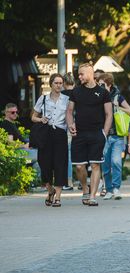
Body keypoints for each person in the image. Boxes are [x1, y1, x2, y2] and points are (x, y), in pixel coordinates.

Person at [66, 62, 113, 207]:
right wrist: (70, 125)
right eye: (78, 74)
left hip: (96, 134)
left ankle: (92, 196)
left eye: (82, 74)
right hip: (79, 134)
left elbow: (109, 114)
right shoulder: (76, 91)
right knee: (79, 167)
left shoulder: (103, 92)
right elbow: (69, 111)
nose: (79, 76)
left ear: (90, 74)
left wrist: (104, 133)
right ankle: (85, 189)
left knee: (95, 165)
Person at [31, 74, 69, 207]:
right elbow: (33, 117)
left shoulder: (67, 99)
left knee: (60, 164)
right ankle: (50, 190)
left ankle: (58, 196)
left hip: (60, 133)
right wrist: (41, 119)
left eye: (61, 83)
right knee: (44, 163)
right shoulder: (44, 98)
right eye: (56, 83)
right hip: (46, 133)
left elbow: (70, 117)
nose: (59, 85)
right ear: (51, 84)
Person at [97, 73, 130, 200]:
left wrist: (118, 107)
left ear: (109, 84)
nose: (99, 86)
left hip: (117, 135)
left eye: (102, 84)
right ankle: (109, 190)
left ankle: (116, 188)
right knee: (105, 165)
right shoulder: (98, 96)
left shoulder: (117, 96)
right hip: (103, 135)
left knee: (116, 162)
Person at [62, 73, 76, 191]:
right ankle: (83, 182)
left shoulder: (62, 95)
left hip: (66, 125)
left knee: (68, 154)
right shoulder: (79, 93)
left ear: (64, 84)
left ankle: (69, 181)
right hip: (80, 124)